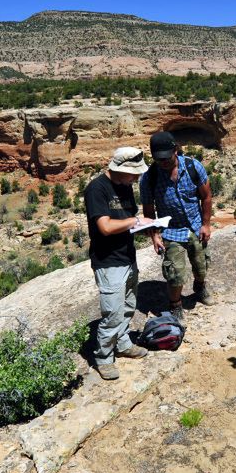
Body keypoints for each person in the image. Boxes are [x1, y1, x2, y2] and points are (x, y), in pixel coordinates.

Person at [84, 147, 153, 380]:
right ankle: (103, 357)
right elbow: (105, 227)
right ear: (119, 169)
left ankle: (123, 344)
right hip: (108, 261)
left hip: (127, 256)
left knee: (127, 305)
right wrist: (135, 220)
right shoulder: (97, 189)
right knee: (112, 312)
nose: (136, 177)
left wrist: (145, 225)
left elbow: (125, 222)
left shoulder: (125, 186)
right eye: (133, 174)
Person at [140, 131, 213, 324]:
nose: (163, 162)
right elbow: (149, 211)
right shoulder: (149, 178)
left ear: (176, 150)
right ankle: (175, 305)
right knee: (175, 273)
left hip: (196, 226)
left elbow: (206, 197)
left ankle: (200, 287)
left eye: (167, 158)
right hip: (171, 231)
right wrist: (155, 237)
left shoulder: (193, 167)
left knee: (201, 265)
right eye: (158, 159)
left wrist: (206, 224)